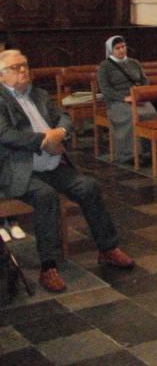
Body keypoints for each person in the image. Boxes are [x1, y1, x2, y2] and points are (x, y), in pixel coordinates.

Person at [0, 50, 134, 293]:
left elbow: (63, 117)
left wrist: (59, 133)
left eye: (25, 65)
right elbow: (5, 135)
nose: (22, 71)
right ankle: (48, 266)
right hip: (19, 170)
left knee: (88, 186)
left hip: (51, 165)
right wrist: (44, 140)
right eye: (15, 68)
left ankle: (107, 248)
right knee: (45, 195)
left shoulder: (39, 95)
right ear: (1, 76)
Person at [97, 35, 157, 165]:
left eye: (123, 47)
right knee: (132, 115)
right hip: (117, 101)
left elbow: (144, 80)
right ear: (111, 50)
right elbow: (105, 89)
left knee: (151, 113)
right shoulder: (105, 66)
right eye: (117, 48)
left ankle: (152, 151)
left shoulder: (134, 62)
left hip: (137, 97)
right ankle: (129, 154)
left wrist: (141, 93)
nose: (121, 50)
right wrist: (125, 98)